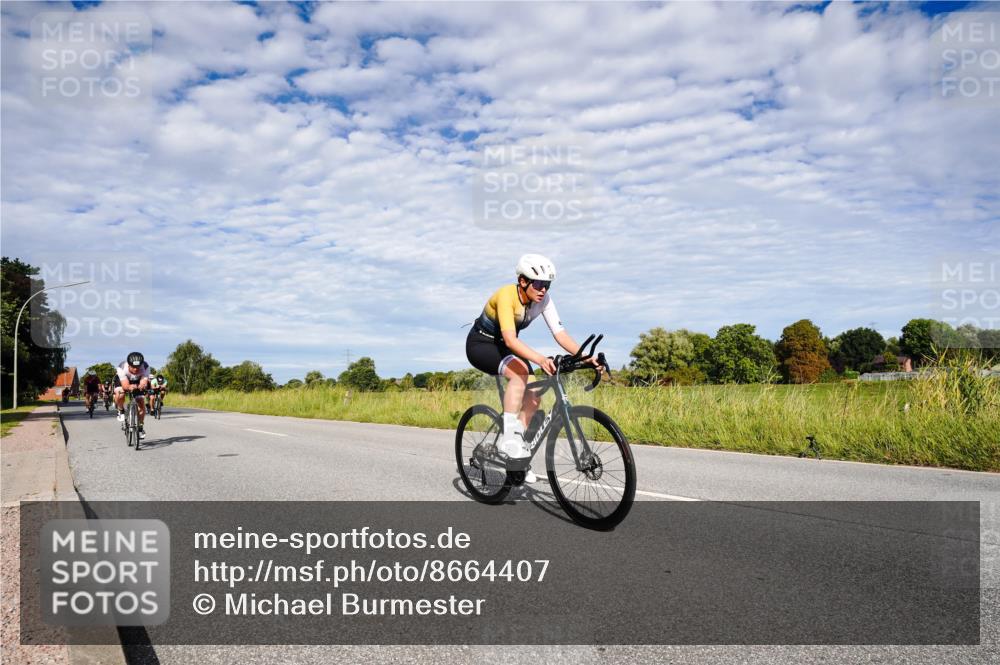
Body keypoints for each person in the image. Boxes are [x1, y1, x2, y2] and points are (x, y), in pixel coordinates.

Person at [466, 254, 600, 483]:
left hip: (507, 346)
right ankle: (509, 440)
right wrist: (540, 359)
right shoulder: (506, 295)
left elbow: (560, 334)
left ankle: (517, 459)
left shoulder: (544, 300)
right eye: (538, 284)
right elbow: (510, 339)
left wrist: (586, 358)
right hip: (481, 344)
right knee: (519, 375)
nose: (543, 290)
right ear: (523, 281)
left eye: (547, 285)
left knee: (534, 397)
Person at [114, 351, 151, 439]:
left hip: (138, 380)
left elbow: (143, 381)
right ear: (128, 365)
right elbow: (125, 385)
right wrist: (129, 387)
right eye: (133, 367)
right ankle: (120, 410)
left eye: (138, 367)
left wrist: (141, 385)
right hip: (124, 380)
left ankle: (140, 426)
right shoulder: (122, 367)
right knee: (120, 394)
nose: (135, 369)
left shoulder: (146, 367)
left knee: (141, 403)